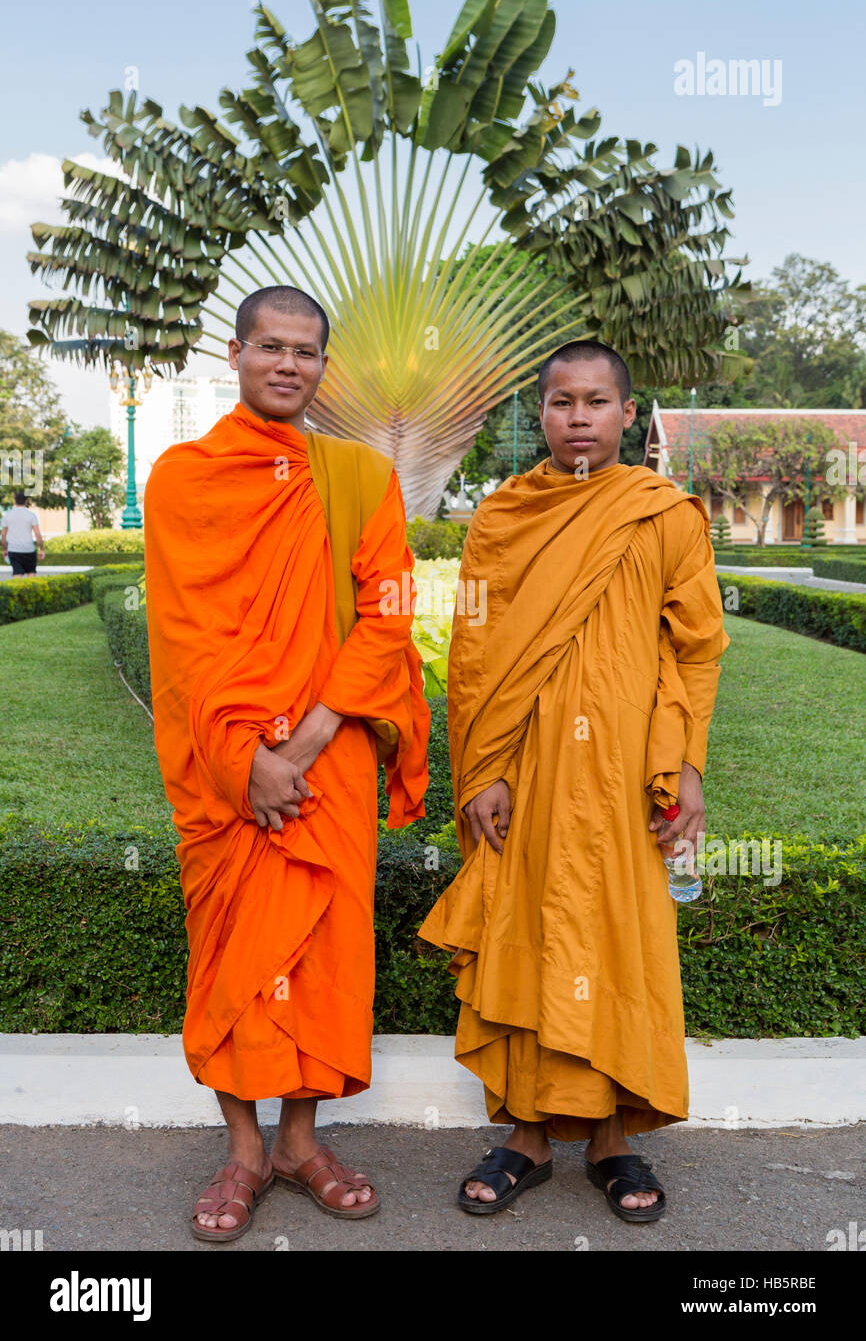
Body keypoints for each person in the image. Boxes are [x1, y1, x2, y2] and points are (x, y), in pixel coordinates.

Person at [419, 339, 730, 1222]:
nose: (579, 416)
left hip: (632, 770)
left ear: (629, 415)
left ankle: (612, 1138)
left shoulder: (662, 513)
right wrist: (482, 768)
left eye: (597, 401)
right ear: (541, 414)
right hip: (529, 768)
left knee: (617, 937)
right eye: (561, 402)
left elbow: (699, 648)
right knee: (523, 922)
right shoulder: (504, 517)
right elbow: (474, 657)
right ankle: (524, 1134)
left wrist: (690, 765)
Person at [143, 285, 429, 1241]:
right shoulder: (184, 478)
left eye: (306, 352)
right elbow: (188, 642)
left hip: (326, 757)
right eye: (271, 347)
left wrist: (298, 746)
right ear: (234, 353)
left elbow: (390, 612)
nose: (288, 365)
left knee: (322, 950)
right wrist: (246, 763)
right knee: (231, 950)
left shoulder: (358, 475)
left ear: (322, 365)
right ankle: (242, 1152)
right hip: (226, 772)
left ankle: (303, 1144)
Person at [1, 491, 45, 575]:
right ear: (25, 502)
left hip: (13, 550)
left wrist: (4, 549)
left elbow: (3, 534)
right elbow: (37, 534)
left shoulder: (7, 515)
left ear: (14, 501)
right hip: (29, 550)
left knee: (17, 574)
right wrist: (41, 549)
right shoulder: (31, 515)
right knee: (31, 574)